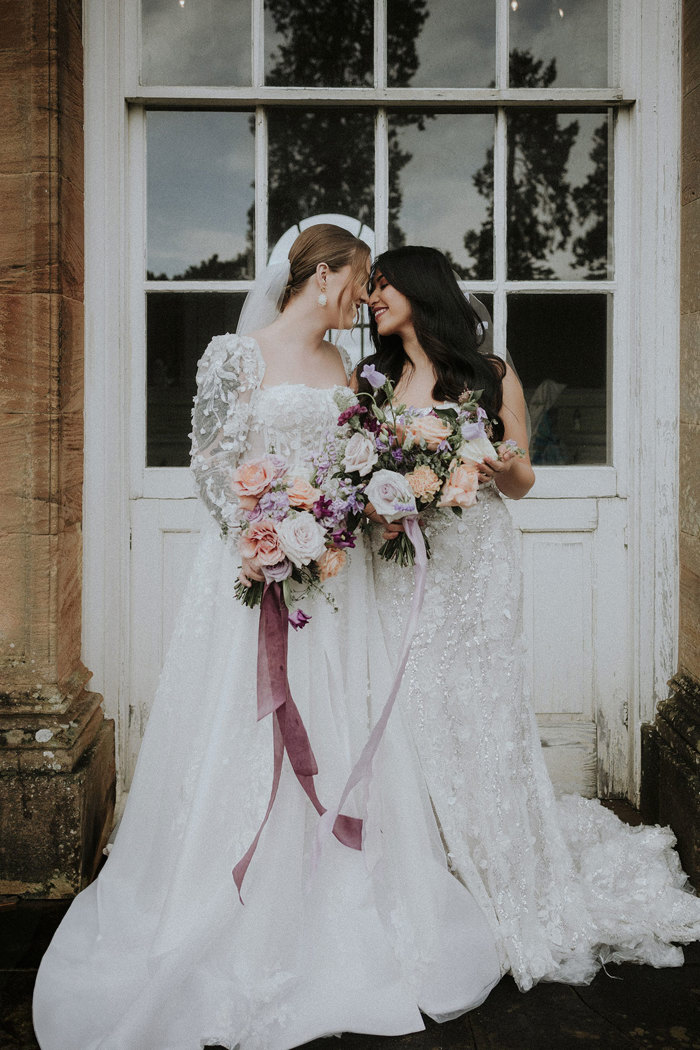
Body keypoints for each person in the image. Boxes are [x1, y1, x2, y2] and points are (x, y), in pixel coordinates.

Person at [32, 225, 502, 1050]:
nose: (364, 299)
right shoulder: (234, 356)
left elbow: (355, 461)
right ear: (323, 277)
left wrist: (339, 516)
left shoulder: (349, 372)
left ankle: (342, 892)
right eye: (358, 282)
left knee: (340, 721)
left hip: (336, 588)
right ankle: (222, 899)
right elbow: (210, 465)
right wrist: (272, 527)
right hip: (255, 579)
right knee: (238, 733)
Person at [359, 245, 700, 991]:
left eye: (382, 284)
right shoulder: (374, 381)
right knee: (410, 714)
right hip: (400, 565)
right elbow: (361, 475)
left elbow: (523, 482)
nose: (371, 297)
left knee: (483, 715)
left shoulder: (491, 372)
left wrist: (482, 456)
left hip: (476, 562)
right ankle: (424, 880)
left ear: (420, 288)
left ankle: (504, 876)